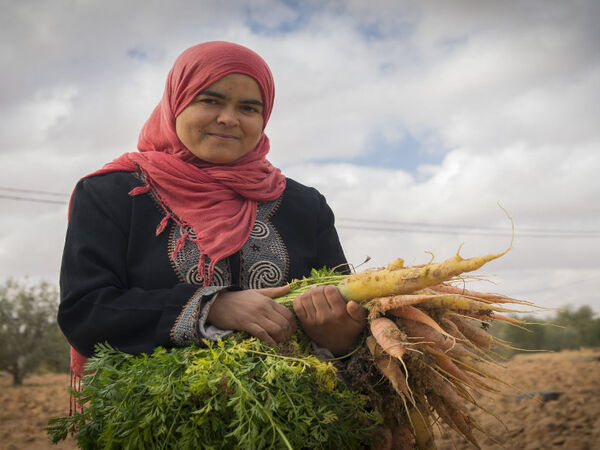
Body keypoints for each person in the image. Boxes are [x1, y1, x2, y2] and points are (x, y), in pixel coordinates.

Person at [58, 41, 367, 387]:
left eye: (249, 108)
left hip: (296, 424)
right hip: (164, 428)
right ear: (177, 101)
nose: (229, 119)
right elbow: (86, 313)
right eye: (210, 100)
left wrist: (341, 337)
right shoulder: (112, 194)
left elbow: (342, 304)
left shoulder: (304, 206)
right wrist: (212, 307)